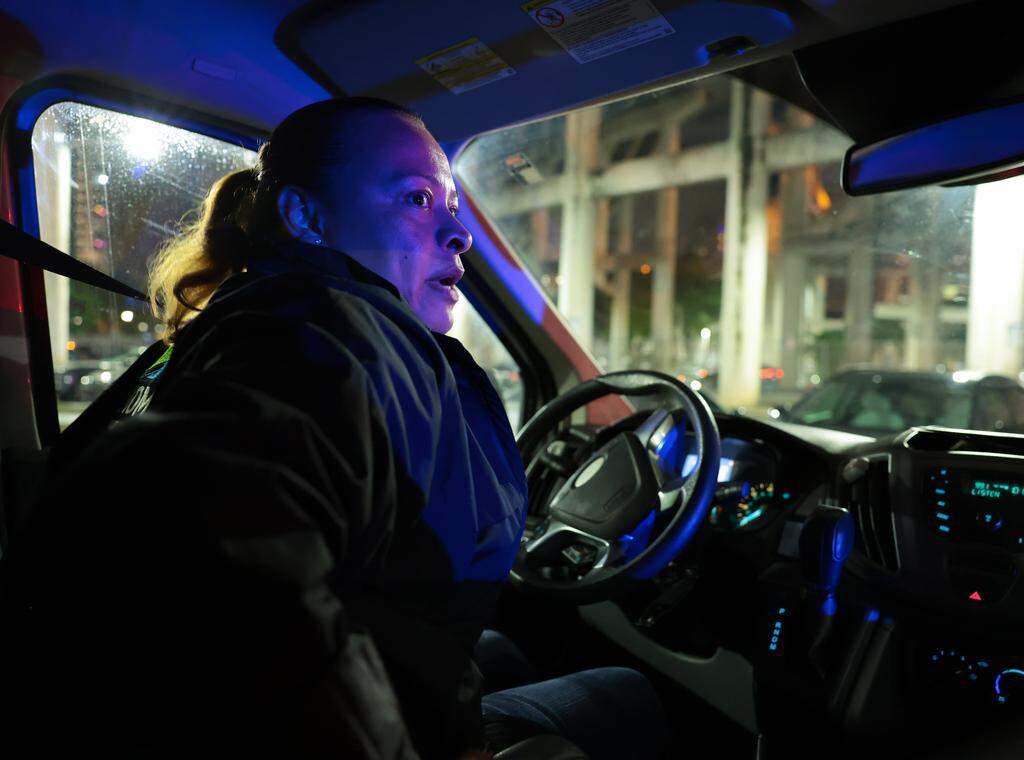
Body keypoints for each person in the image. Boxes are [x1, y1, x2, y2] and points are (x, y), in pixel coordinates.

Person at [0, 98, 665, 758]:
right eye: (417, 200)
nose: (458, 234)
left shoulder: (269, 317)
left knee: (505, 654)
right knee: (632, 696)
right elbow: (211, 520)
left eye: (454, 208)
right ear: (306, 217)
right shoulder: (325, 333)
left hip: (402, 684)